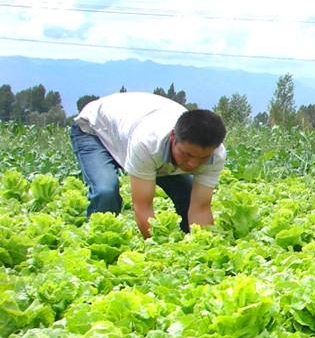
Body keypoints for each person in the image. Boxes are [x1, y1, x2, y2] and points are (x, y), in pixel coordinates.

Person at [71, 92, 227, 238]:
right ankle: (96, 243)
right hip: (95, 129)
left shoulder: (216, 154)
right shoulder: (148, 143)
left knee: (187, 195)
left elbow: (200, 207)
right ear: (173, 137)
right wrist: (159, 248)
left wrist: (202, 249)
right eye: (187, 154)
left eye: (203, 158)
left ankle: (187, 241)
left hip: (135, 130)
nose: (193, 164)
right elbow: (143, 206)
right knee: (106, 191)